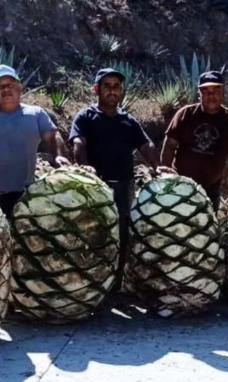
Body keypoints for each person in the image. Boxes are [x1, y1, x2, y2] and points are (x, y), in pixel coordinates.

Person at [69, 67, 159, 290]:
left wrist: (158, 165)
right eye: (107, 86)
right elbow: (78, 143)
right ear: (96, 89)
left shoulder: (128, 121)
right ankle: (90, 285)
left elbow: (146, 144)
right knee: (93, 234)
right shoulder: (86, 117)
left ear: (122, 91)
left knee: (121, 236)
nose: (112, 91)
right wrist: (84, 167)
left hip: (123, 188)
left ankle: (116, 285)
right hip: (95, 187)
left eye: (116, 87)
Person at [0, 64, 69, 217]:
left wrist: (59, 155)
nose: (6, 89)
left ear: (19, 88)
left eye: (10, 84)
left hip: (26, 198)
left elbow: (53, 136)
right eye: (0, 86)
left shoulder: (36, 114)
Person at [160, 71, 228, 210]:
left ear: (223, 93)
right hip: (179, 187)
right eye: (206, 91)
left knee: (207, 230)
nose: (212, 95)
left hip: (210, 191)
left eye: (216, 90)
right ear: (199, 93)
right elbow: (169, 146)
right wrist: (166, 174)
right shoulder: (185, 114)